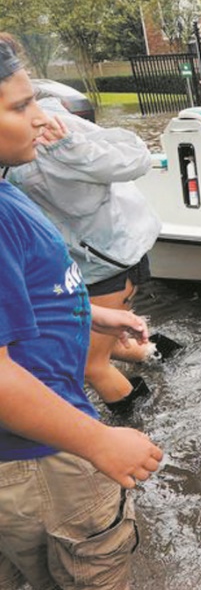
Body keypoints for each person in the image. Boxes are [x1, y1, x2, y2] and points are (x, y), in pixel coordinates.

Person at [0, 40, 163, 589]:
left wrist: (89, 313)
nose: (39, 118)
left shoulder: (8, 188)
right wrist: (99, 443)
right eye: (20, 107)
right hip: (44, 457)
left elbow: (28, 291)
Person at [5, 93, 168, 414]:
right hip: (71, 268)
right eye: (19, 104)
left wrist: (71, 149)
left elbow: (136, 156)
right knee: (106, 343)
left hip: (107, 263)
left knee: (91, 365)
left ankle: (147, 430)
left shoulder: (49, 120)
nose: (33, 117)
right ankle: (164, 354)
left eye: (27, 101)